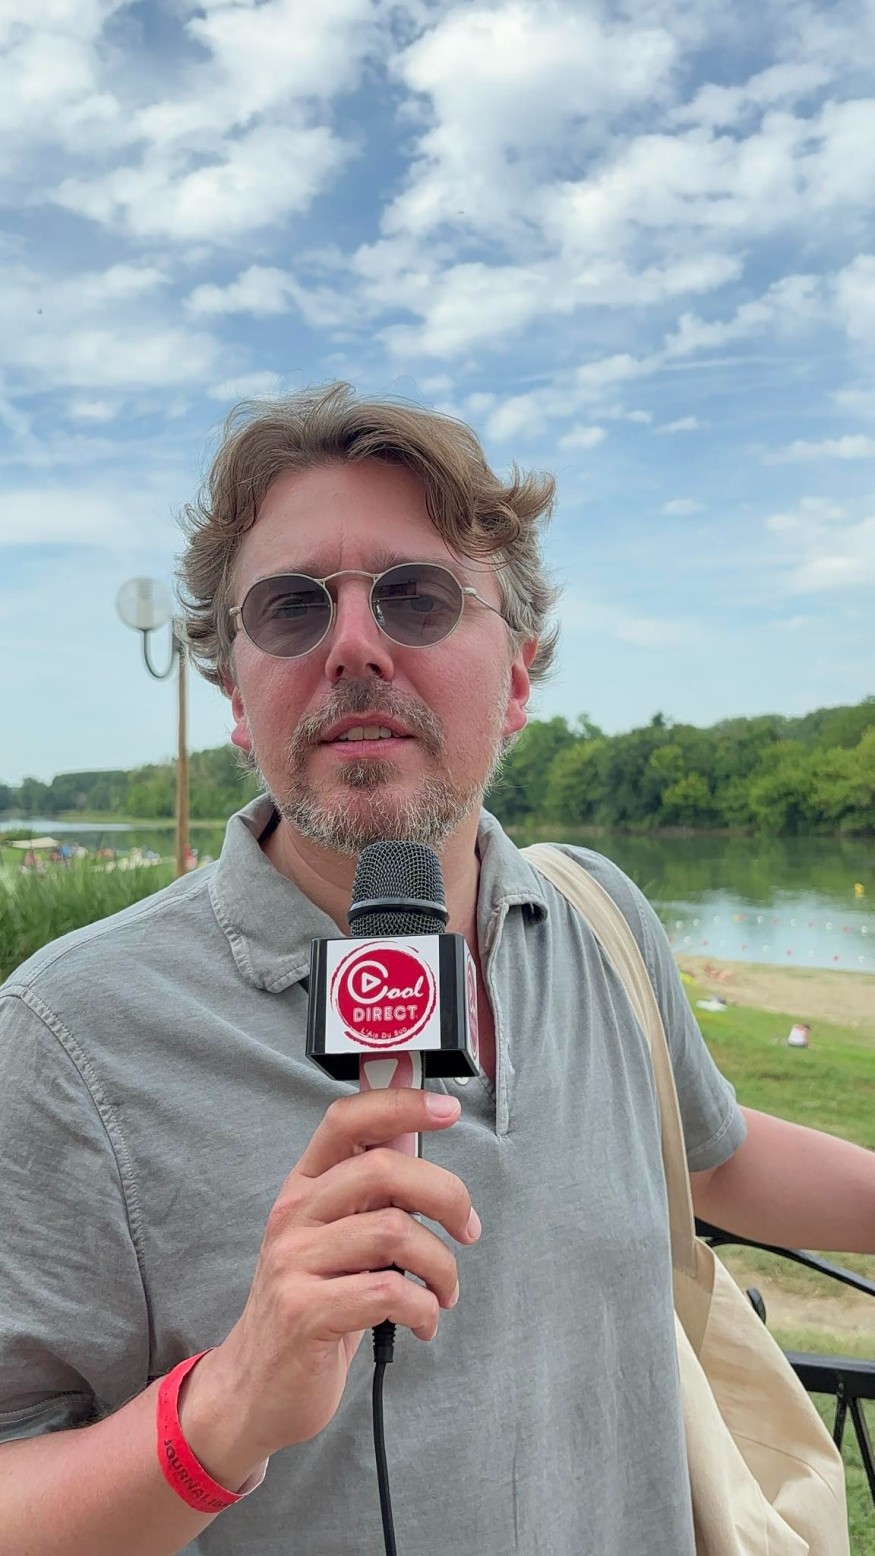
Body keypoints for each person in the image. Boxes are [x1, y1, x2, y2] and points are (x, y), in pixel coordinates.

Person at [0, 383, 872, 1556]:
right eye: (291, 607)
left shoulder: (598, 915)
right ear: (236, 696)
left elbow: (713, 1155)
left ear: (515, 679)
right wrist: (223, 1408)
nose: (354, 644)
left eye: (415, 596)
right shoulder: (69, 1038)